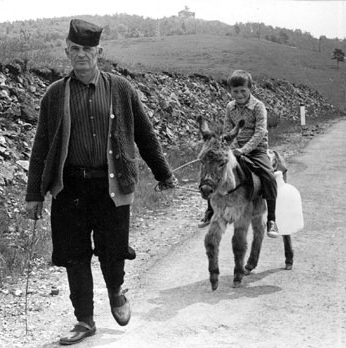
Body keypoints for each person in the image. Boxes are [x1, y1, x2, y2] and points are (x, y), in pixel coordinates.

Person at [24, 19, 177, 345]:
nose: (81, 55)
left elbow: (145, 134)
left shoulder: (121, 88)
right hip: (69, 189)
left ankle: (116, 291)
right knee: (74, 255)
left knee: (113, 251)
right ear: (67, 50)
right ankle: (84, 321)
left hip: (113, 186)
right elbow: (41, 147)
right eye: (75, 49)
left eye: (88, 50)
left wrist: (164, 174)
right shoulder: (54, 95)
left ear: (99, 52)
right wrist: (34, 194)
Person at [198, 70, 279, 238]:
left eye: (243, 90)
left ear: (250, 89)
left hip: (256, 149)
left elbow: (260, 132)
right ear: (230, 91)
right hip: (234, 147)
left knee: (268, 176)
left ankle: (272, 219)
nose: (239, 94)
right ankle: (210, 210)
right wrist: (227, 148)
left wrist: (243, 150)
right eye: (235, 91)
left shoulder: (258, 107)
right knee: (213, 170)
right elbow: (228, 131)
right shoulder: (230, 107)